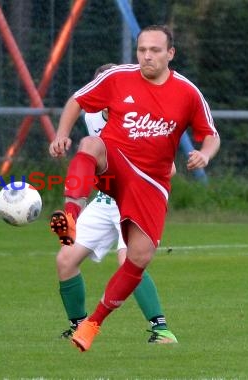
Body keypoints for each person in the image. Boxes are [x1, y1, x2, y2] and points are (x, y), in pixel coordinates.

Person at [48, 25, 220, 352]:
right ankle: (69, 218)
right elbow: (77, 101)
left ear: (170, 53)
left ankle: (95, 324)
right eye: (142, 50)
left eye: (155, 50)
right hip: (112, 172)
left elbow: (211, 134)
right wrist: (60, 135)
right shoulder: (115, 81)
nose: (146, 56)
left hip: (149, 184)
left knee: (138, 257)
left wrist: (205, 153)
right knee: (91, 145)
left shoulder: (187, 92)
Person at [59, 63, 178, 345]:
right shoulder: (91, 117)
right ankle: (79, 325)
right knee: (65, 259)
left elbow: (169, 168)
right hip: (104, 200)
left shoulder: (141, 120)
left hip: (135, 198)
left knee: (128, 260)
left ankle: (161, 329)